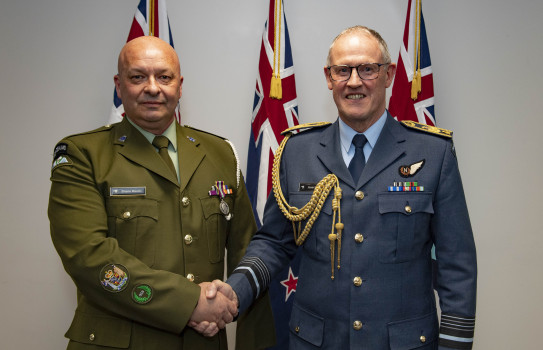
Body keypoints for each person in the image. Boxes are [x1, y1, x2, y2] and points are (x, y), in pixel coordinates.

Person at [206, 25, 477, 349]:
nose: (354, 81)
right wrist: (234, 291)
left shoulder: (432, 153)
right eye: (343, 70)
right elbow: (275, 243)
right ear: (329, 77)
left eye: (367, 69)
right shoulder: (297, 150)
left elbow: (457, 267)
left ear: (389, 74)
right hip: (316, 341)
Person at [48, 36, 274, 350]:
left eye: (164, 77)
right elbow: (88, 256)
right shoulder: (82, 154)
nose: (153, 87)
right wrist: (190, 302)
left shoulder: (221, 153)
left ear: (179, 85)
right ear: (119, 85)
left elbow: (247, 252)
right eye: (138, 76)